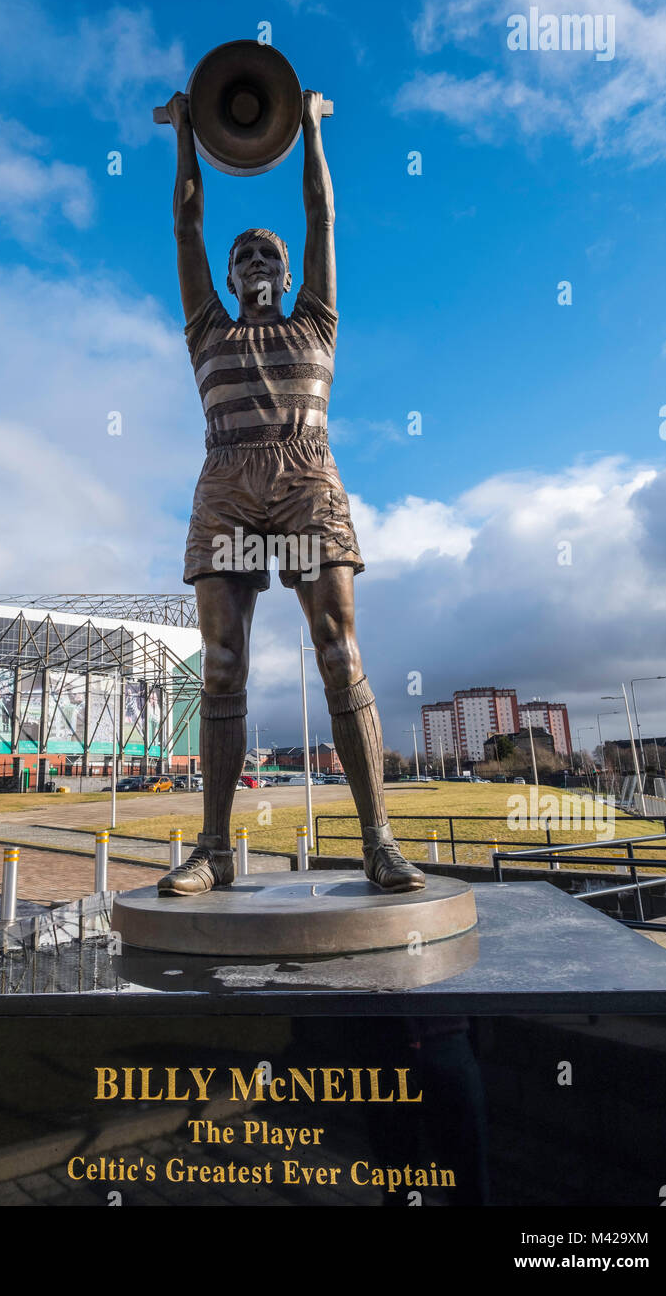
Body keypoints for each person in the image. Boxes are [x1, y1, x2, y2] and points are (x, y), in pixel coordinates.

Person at [157, 88, 425, 897]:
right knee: (223, 666)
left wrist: (309, 127)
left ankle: (378, 842)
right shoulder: (209, 328)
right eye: (245, 260)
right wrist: (183, 140)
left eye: (267, 257)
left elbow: (321, 218)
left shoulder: (318, 319)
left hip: (306, 477)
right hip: (228, 482)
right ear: (233, 279)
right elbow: (187, 226)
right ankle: (213, 848)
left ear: (285, 272)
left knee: (339, 652)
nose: (256, 266)